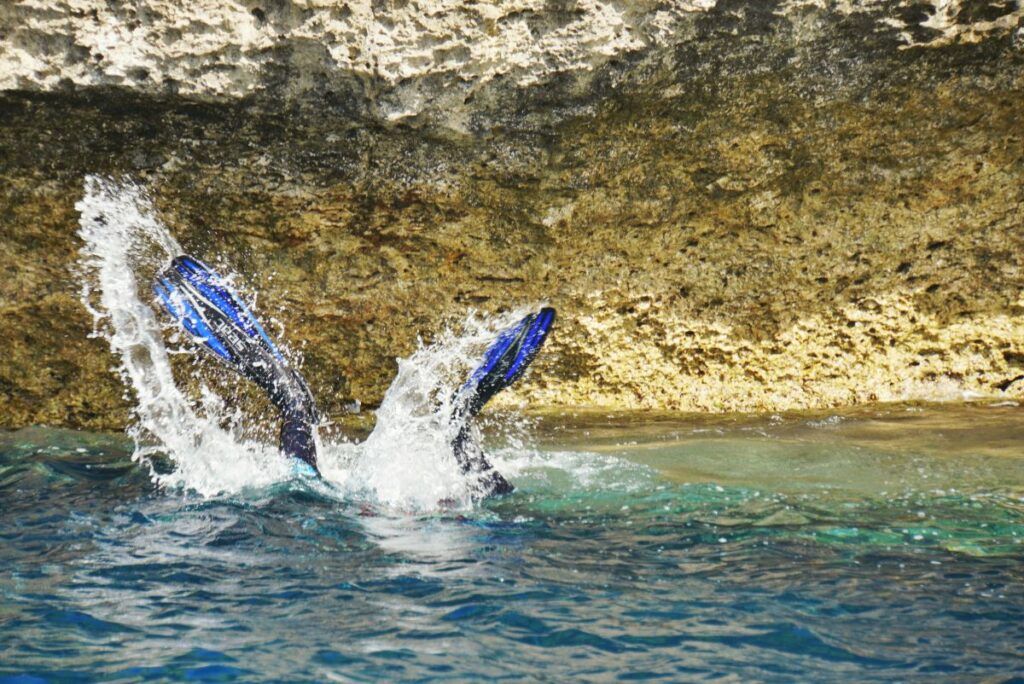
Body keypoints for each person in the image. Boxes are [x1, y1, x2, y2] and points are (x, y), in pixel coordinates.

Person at [153, 255, 554, 497]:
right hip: (327, 499)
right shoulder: (446, 508)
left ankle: (462, 412)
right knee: (478, 473)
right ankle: (463, 413)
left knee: (298, 436)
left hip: (318, 497)